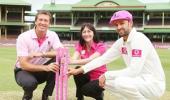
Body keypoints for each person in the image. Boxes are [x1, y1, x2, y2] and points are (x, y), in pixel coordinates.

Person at [68, 10, 165, 100]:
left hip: (153, 84)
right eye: (116, 24)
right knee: (105, 83)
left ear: (130, 23)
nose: (119, 27)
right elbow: (102, 59)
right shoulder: (121, 42)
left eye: (122, 23)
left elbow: (134, 70)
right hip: (138, 82)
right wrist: (78, 70)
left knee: (119, 82)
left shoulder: (138, 39)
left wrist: (106, 74)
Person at [14, 10, 63, 100]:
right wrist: (46, 67)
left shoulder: (53, 35)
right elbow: (23, 65)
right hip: (23, 71)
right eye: (40, 20)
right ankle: (28, 95)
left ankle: (46, 94)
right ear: (35, 21)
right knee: (30, 84)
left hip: (41, 72)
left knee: (59, 59)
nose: (43, 23)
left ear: (49, 23)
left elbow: (61, 52)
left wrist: (42, 54)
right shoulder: (23, 37)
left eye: (46, 20)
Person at [70, 23, 107, 100]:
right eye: (84, 32)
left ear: (93, 33)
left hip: (100, 78)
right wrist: (66, 60)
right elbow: (74, 58)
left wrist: (70, 62)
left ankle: (99, 95)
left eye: (89, 31)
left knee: (85, 90)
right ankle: (80, 97)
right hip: (87, 75)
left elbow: (90, 60)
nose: (86, 34)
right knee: (77, 69)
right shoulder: (80, 45)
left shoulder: (101, 46)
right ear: (81, 34)